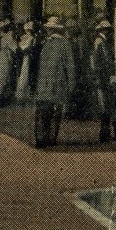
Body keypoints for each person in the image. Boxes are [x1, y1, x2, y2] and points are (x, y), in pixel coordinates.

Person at [33, 16, 75, 149]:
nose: (48, 31)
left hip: (45, 84)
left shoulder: (48, 44)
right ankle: (50, 137)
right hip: (57, 84)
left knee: (43, 112)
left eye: (49, 29)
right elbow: (70, 66)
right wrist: (71, 85)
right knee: (55, 113)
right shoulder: (64, 44)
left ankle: (42, 138)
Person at [90, 19, 116, 143]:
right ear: (102, 30)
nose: (108, 32)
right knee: (105, 107)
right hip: (102, 77)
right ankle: (104, 134)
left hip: (104, 77)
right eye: (106, 30)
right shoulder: (99, 42)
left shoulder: (104, 42)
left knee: (107, 106)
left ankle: (106, 134)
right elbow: (96, 60)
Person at [0, 19, 17, 106]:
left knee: (0, 76)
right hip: (5, 59)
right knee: (3, 77)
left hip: (1, 58)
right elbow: (15, 48)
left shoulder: (0, 37)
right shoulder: (7, 37)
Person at [13, 20, 37, 101]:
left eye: (29, 30)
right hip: (24, 57)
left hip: (27, 57)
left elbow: (31, 48)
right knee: (23, 73)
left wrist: (25, 50)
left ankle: (24, 92)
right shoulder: (27, 38)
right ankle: (22, 92)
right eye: (28, 30)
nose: (28, 31)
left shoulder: (31, 38)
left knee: (25, 73)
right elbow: (20, 47)